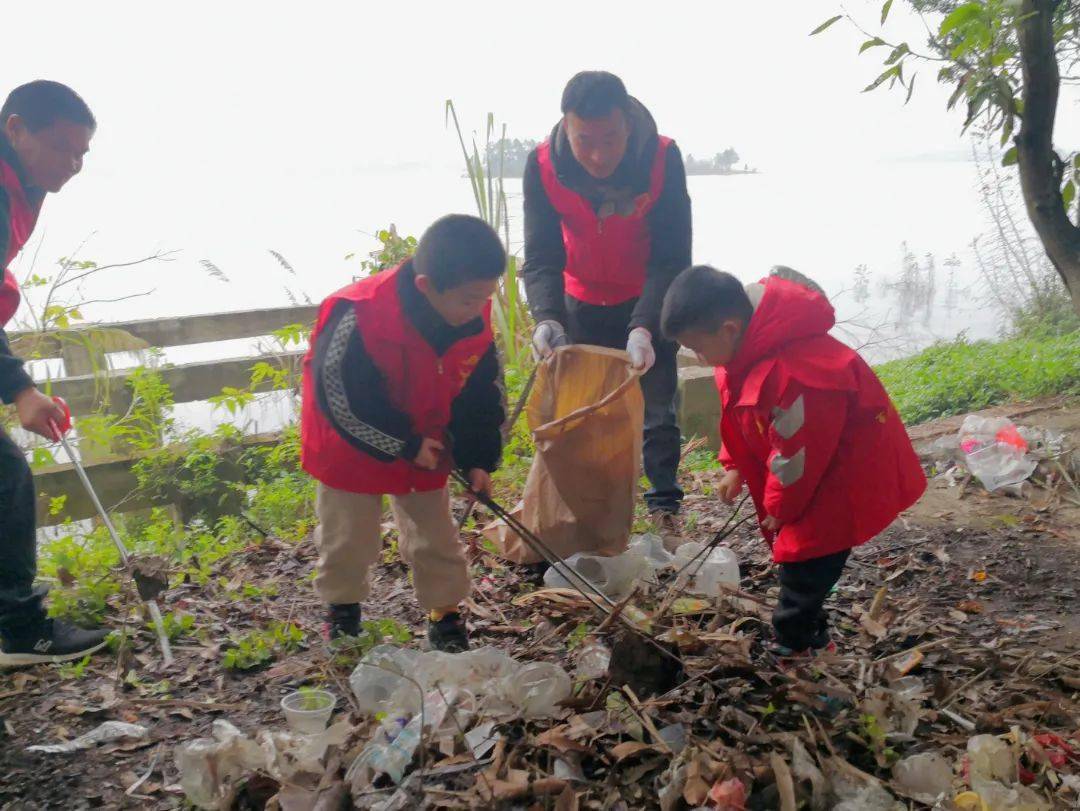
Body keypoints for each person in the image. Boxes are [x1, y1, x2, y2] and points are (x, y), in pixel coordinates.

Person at [660, 265, 926, 656]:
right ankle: (816, 635)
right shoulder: (738, 354)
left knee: (806, 564)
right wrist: (733, 464)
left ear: (730, 328)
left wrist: (778, 507)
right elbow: (739, 415)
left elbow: (796, 457)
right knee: (797, 557)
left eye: (698, 347)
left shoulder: (797, 373)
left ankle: (795, 645)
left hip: (841, 476)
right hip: (805, 474)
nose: (698, 357)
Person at [301, 214, 505, 653]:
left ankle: (444, 614)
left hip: (427, 439)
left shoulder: (472, 312)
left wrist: (478, 457)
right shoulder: (357, 314)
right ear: (427, 285)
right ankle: (343, 611)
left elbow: (479, 391)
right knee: (348, 538)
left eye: (486, 296)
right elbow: (339, 399)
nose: (480, 309)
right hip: (350, 444)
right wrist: (403, 445)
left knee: (436, 535)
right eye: (471, 300)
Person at [522, 70, 692, 536]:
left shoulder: (661, 157)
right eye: (585, 141)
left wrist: (644, 327)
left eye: (610, 139)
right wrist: (547, 318)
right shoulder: (541, 165)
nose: (598, 155)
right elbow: (540, 256)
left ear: (628, 126)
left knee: (657, 410)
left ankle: (664, 507)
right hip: (580, 303)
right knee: (582, 415)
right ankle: (587, 512)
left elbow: (672, 257)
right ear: (566, 128)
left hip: (646, 296)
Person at [0, 81, 109, 666]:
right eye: (63, 149)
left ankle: (21, 630)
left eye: (82, 155)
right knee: (6, 476)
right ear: (16, 129)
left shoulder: (23, 185)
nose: (73, 166)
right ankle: (24, 633)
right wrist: (18, 387)